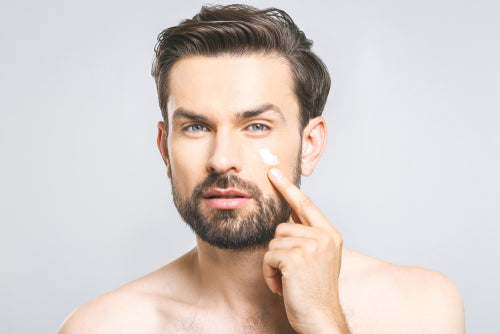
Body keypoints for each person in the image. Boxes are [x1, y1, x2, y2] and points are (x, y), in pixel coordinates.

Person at [59, 4, 465, 333]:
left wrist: (325, 322)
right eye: (196, 127)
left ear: (309, 144)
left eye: (256, 126)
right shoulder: (104, 326)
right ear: (166, 149)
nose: (222, 159)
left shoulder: (420, 308)